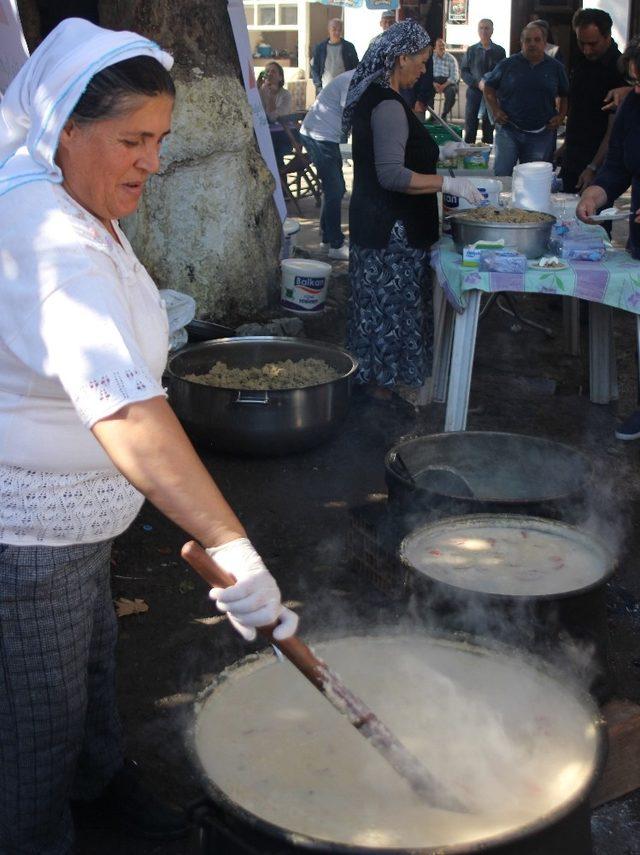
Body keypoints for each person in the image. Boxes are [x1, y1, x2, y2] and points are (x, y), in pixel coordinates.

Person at [0, 19, 298, 855]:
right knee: (33, 730)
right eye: (133, 139)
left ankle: (103, 789)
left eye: (159, 140)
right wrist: (234, 547)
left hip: (81, 525)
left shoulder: (66, 191)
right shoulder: (46, 237)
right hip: (29, 538)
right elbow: (126, 411)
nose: (153, 162)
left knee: (89, 678)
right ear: (65, 127)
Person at [342, 21, 483, 401]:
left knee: (380, 315)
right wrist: (447, 183)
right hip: (392, 231)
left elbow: (397, 151)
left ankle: (377, 397)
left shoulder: (379, 96)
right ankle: (379, 407)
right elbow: (391, 174)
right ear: (400, 58)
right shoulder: (387, 103)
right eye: (420, 61)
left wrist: (442, 152)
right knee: (390, 317)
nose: (424, 69)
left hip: (379, 226)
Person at [576, 36, 640, 441]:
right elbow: (618, 164)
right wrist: (596, 194)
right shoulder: (633, 105)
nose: (637, 90)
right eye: (635, 81)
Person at [483, 23, 569, 177]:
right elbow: (488, 88)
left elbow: (565, 94)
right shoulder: (507, 65)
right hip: (509, 129)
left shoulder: (556, 67)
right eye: (528, 40)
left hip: (542, 133)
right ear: (521, 43)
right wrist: (495, 109)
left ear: (544, 43)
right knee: (502, 176)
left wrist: (561, 115)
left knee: (533, 180)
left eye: (537, 40)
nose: (532, 44)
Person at [555, 8, 625, 195]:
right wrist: (565, 147)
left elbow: (614, 128)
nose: (586, 49)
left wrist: (593, 167)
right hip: (574, 156)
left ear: (607, 37)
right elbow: (579, 110)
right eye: (581, 42)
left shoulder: (619, 69)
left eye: (593, 44)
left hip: (600, 162)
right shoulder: (581, 60)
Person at [300, 69, 355, 260]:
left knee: (336, 190)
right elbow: (349, 111)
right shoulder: (352, 80)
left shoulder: (357, 78)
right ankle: (335, 243)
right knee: (335, 189)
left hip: (325, 137)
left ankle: (326, 237)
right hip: (318, 136)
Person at [460, 18, 506, 144]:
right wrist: (477, 83)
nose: (484, 31)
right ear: (477, 30)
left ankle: (485, 158)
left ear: (492, 31)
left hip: (491, 95)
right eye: (481, 28)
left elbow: (502, 72)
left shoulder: (499, 51)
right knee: (470, 126)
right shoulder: (471, 50)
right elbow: (464, 71)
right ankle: (468, 157)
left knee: (488, 127)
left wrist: (489, 84)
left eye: (487, 28)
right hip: (474, 93)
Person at [258, 61, 294, 164]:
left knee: (274, 150)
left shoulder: (285, 95)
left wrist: (271, 98)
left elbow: (274, 118)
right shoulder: (259, 93)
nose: (269, 74)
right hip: (263, 135)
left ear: (280, 77)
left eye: (273, 71)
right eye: (267, 71)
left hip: (281, 137)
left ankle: (279, 178)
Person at [311, 18, 359, 94]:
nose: (337, 32)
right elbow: (315, 68)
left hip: (344, 88)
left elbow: (356, 66)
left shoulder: (349, 47)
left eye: (339, 29)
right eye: (334, 29)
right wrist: (318, 86)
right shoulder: (320, 48)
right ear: (329, 29)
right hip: (325, 88)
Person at [428, 37, 459, 121]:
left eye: (443, 45)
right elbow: (427, 73)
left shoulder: (451, 59)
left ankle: (444, 115)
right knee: (426, 89)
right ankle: (432, 115)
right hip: (434, 81)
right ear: (435, 48)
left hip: (448, 82)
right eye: (439, 45)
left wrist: (444, 85)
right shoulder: (430, 58)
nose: (441, 47)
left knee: (451, 92)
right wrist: (433, 83)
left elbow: (455, 76)